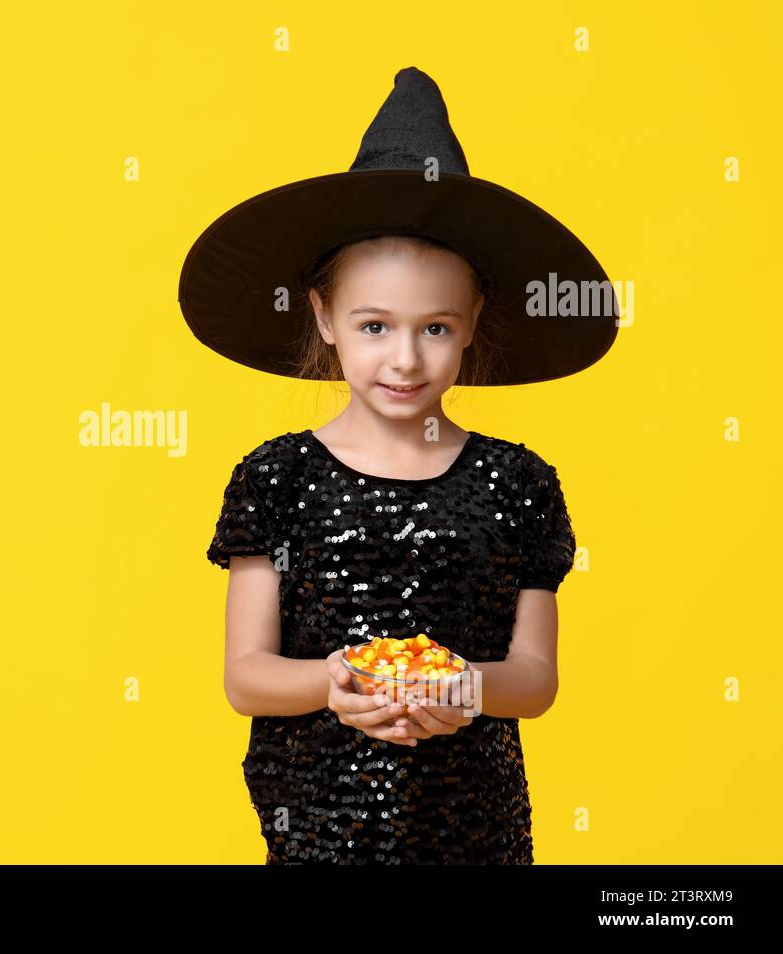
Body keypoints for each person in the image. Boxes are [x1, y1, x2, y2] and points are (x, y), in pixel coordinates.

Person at [180, 67, 617, 863]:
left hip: (475, 833)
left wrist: (465, 686)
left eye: (437, 329)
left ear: (474, 321)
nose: (406, 359)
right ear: (326, 316)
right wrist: (337, 682)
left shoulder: (518, 483)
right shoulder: (275, 477)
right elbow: (246, 675)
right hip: (318, 830)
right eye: (375, 325)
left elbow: (535, 677)